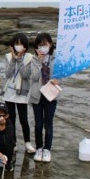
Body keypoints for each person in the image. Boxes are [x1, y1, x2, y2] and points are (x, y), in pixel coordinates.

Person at [3, 33, 36, 154]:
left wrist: (20, 60)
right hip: (9, 92)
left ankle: (27, 142)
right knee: (11, 118)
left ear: (25, 45)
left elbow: (26, 75)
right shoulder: (7, 56)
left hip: (22, 92)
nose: (18, 46)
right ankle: (13, 142)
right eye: (16, 44)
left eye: (21, 44)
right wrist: (13, 60)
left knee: (23, 119)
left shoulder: (29, 57)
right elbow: (7, 74)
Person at [29, 32, 60, 163]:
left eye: (45, 44)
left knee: (48, 124)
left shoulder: (56, 58)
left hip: (51, 96)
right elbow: (34, 77)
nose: (43, 47)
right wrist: (39, 62)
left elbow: (61, 76)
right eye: (40, 45)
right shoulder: (33, 59)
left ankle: (47, 149)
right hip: (37, 95)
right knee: (38, 124)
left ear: (50, 44)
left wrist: (57, 81)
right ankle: (39, 148)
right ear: (36, 47)